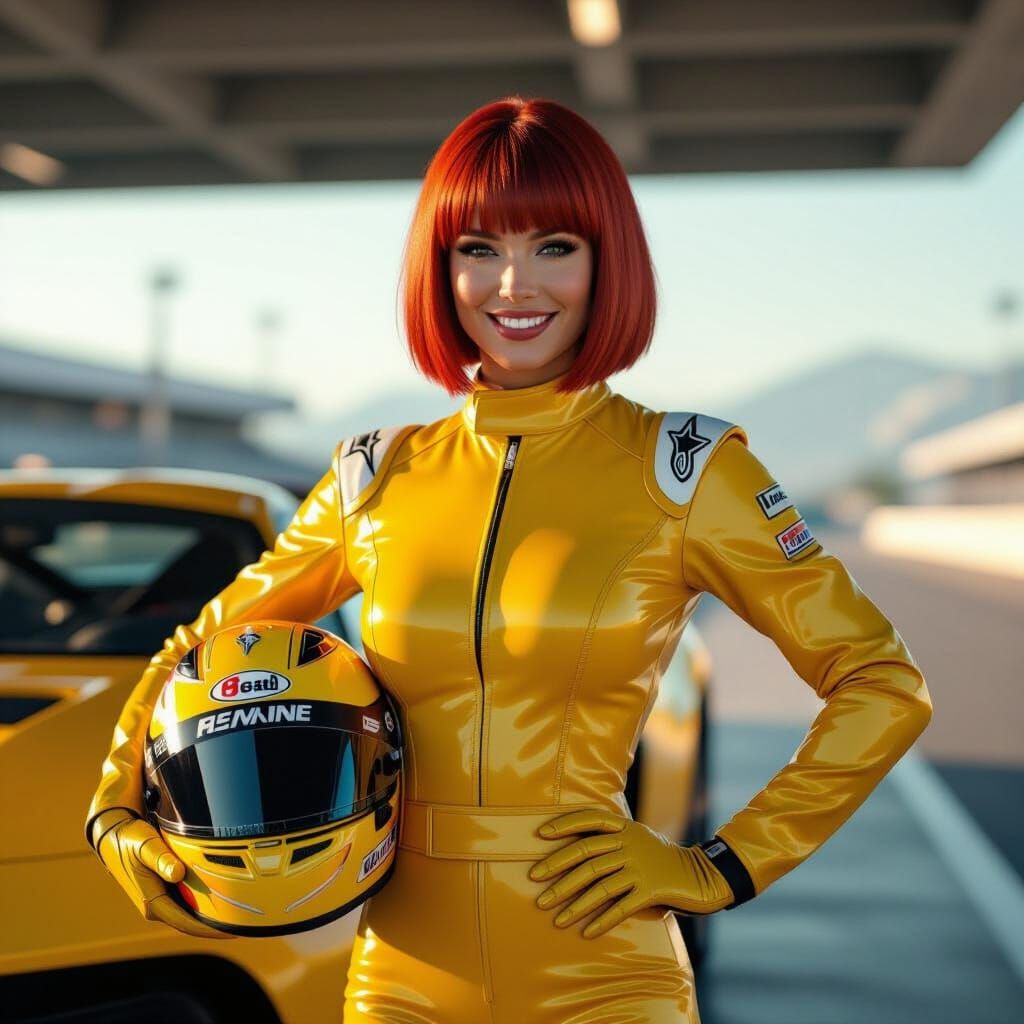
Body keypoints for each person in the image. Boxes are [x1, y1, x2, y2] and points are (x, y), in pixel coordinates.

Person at [87, 96, 933, 1023]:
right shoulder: (376, 476)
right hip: (401, 973)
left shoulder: (685, 470)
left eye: (555, 246)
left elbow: (881, 683)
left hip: (607, 970)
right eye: (478, 248)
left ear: (608, 259)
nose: (513, 286)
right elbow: (200, 647)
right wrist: (114, 812)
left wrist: (725, 865)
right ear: (440, 266)